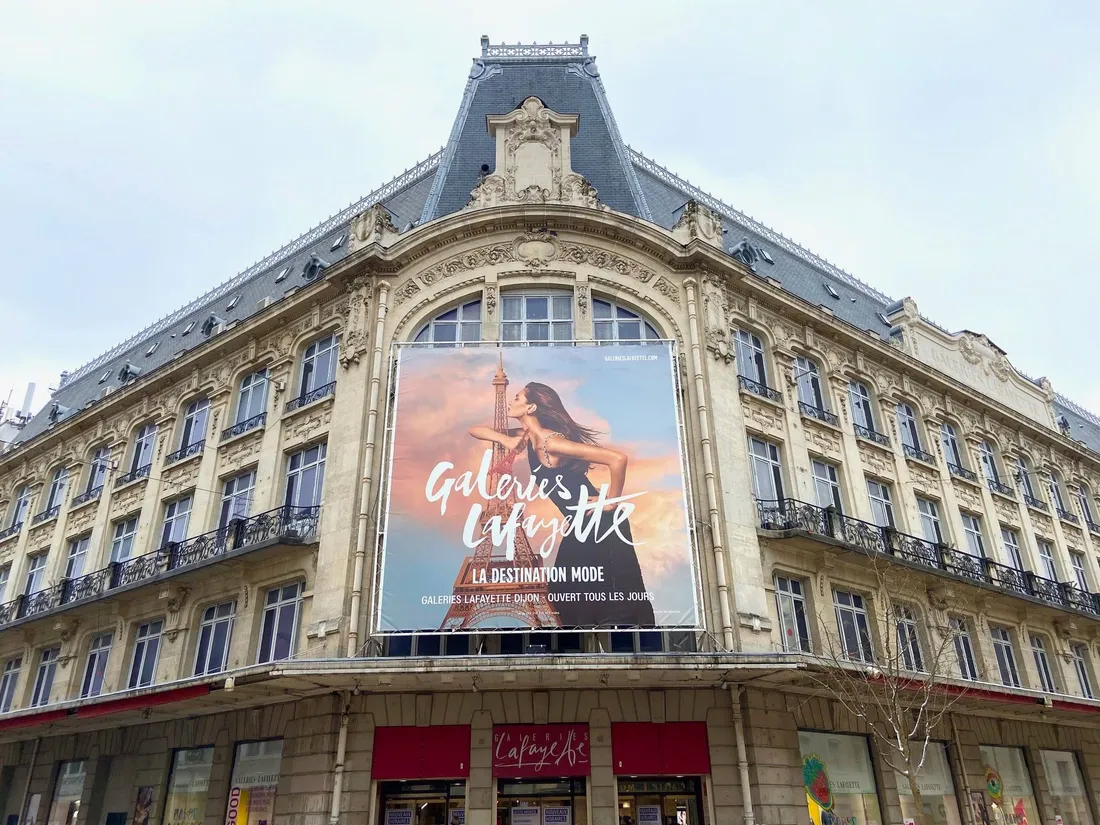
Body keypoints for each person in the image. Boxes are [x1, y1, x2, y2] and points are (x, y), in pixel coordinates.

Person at [469, 381, 655, 626]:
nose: (511, 401)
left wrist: (611, 501)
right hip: (580, 523)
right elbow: (475, 430)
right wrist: (505, 440)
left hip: (600, 522)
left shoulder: (552, 444)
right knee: (567, 593)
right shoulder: (525, 436)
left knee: (605, 598)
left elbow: (617, 459)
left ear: (531, 407)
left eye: (517, 397)